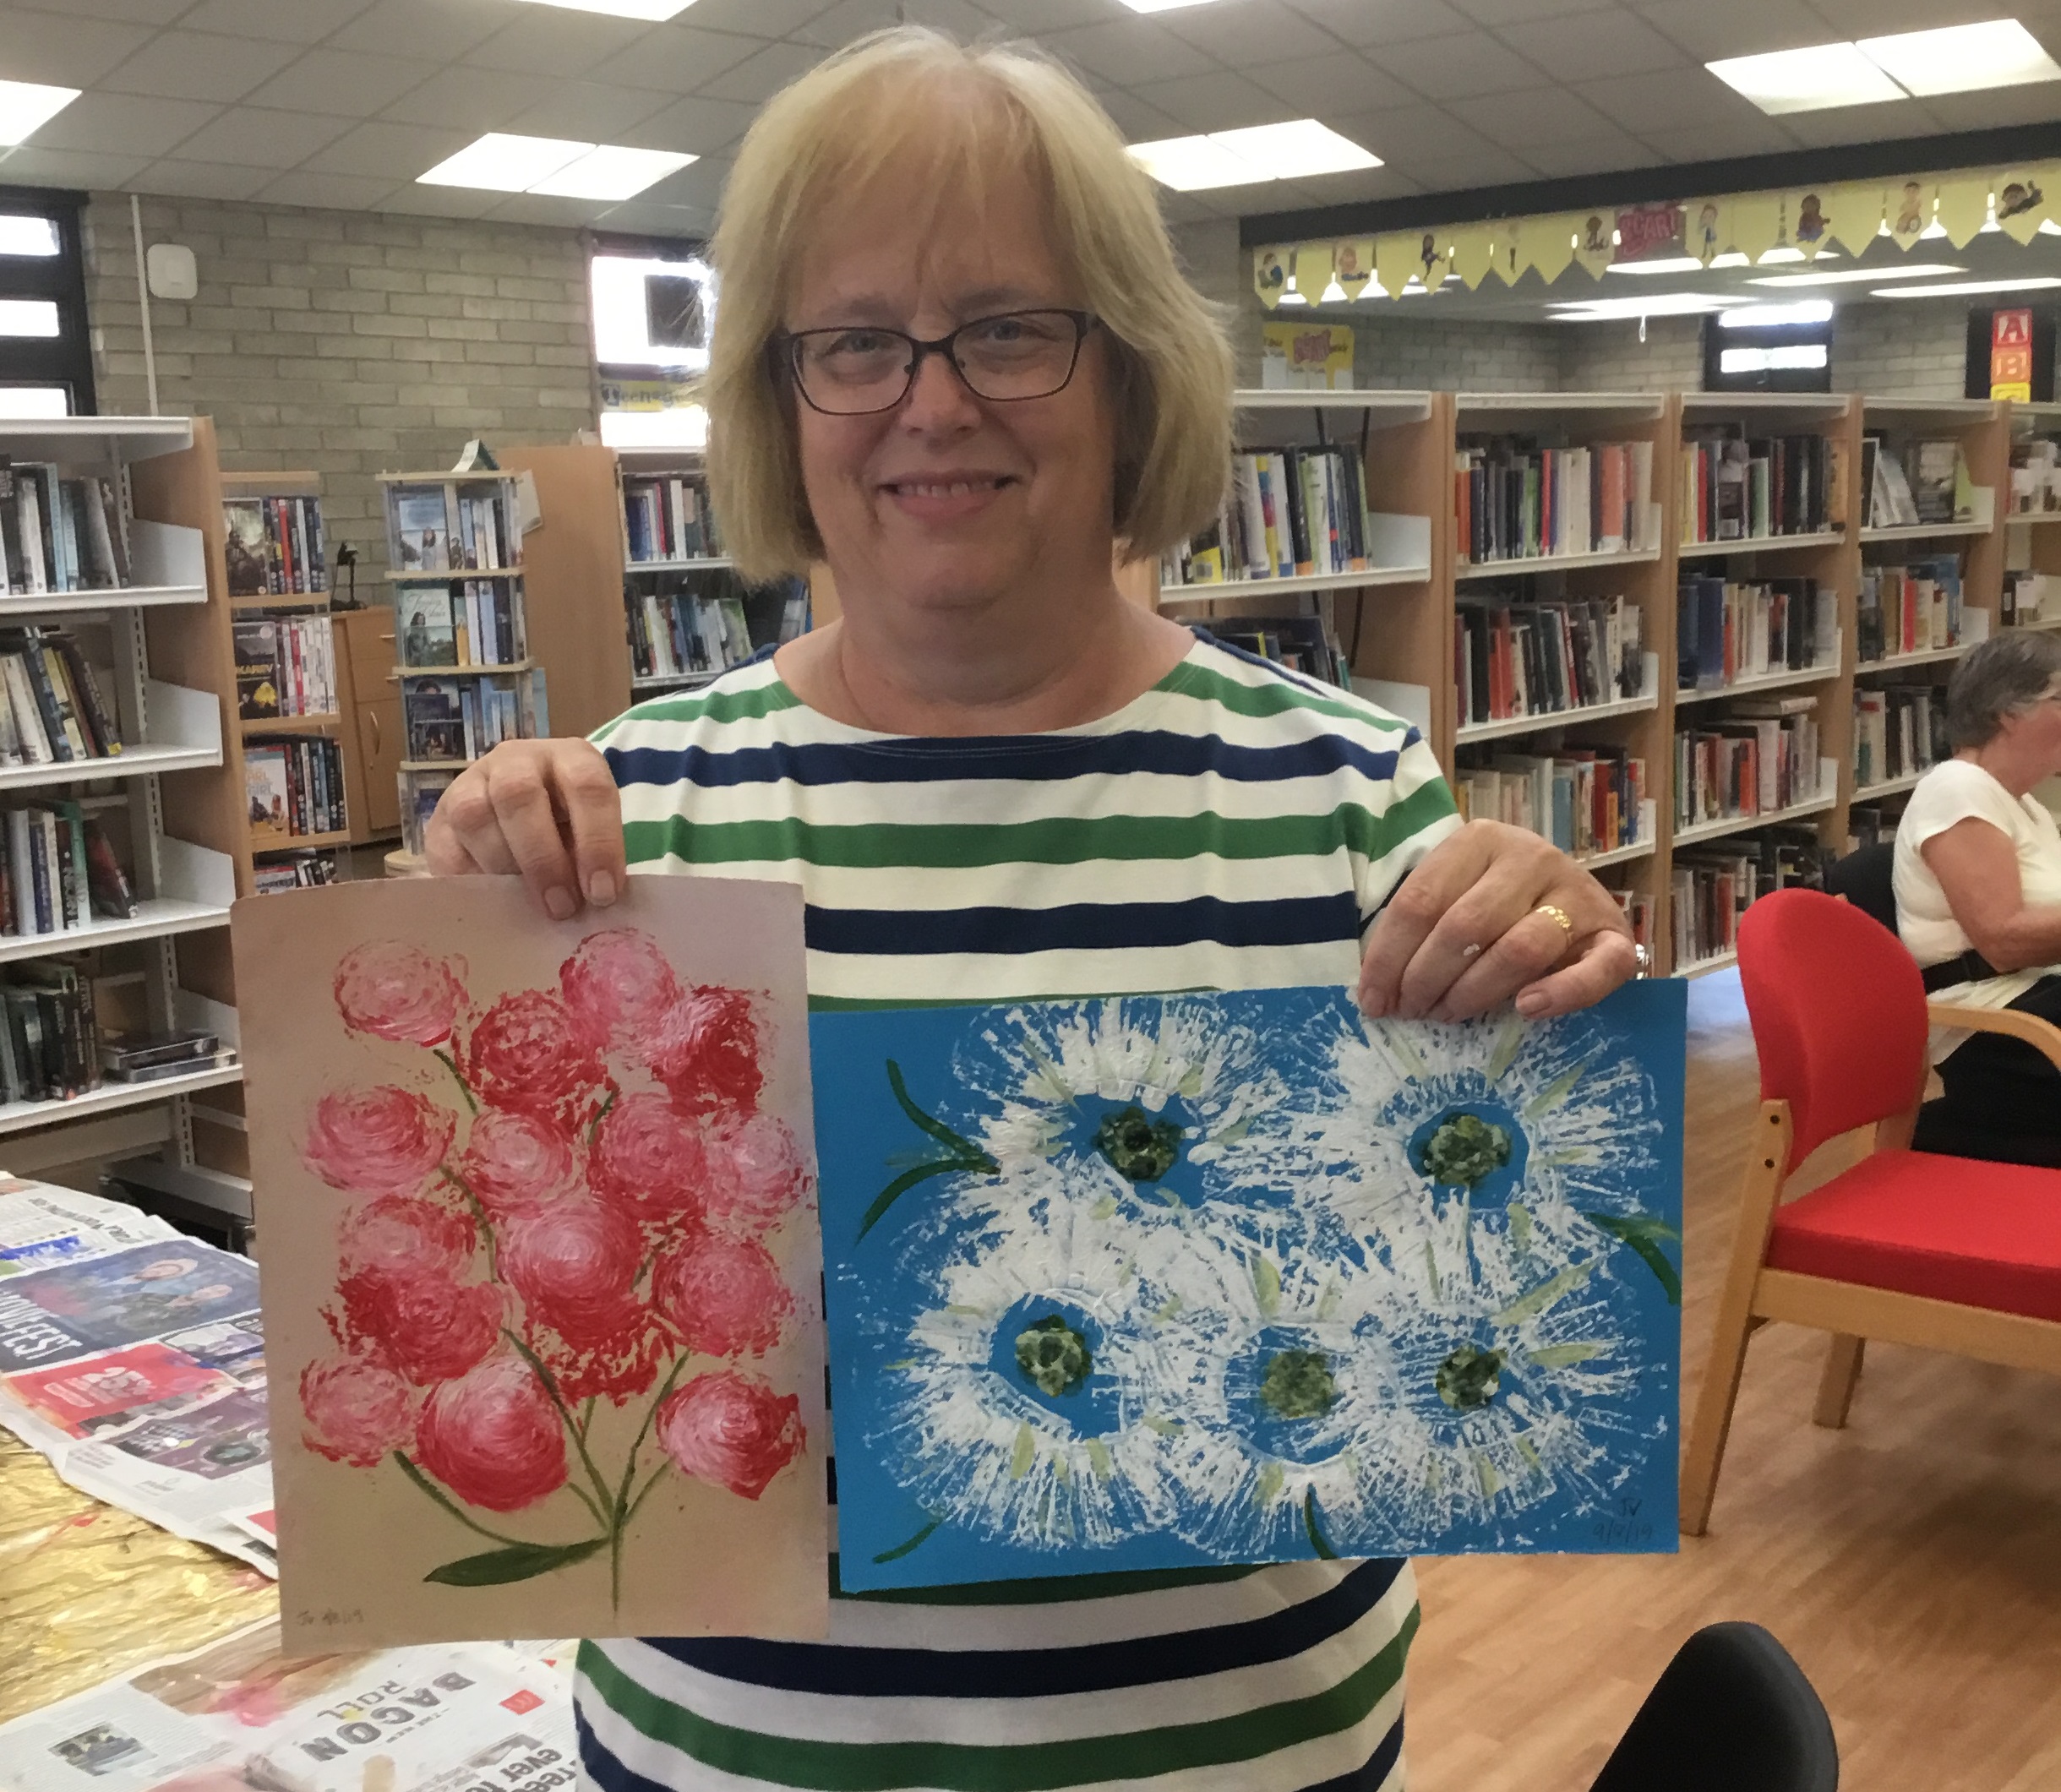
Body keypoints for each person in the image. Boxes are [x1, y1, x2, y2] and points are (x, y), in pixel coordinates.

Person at [426, 27, 1636, 1792]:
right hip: (739, 1754)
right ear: (778, 398)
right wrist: (465, 969)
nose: (932, 401)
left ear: (1131, 378)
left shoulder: (1339, 786)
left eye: (1007, 327)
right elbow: (530, 1314)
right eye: (851, 341)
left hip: (1231, 1752)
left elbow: (1466, 1291)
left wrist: (1553, 963)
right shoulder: (634, 812)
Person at [1895, 629, 2061, 1164]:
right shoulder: (1958, 788)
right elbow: (2004, 939)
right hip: (2001, 1032)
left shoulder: (2026, 806)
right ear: (2007, 712)